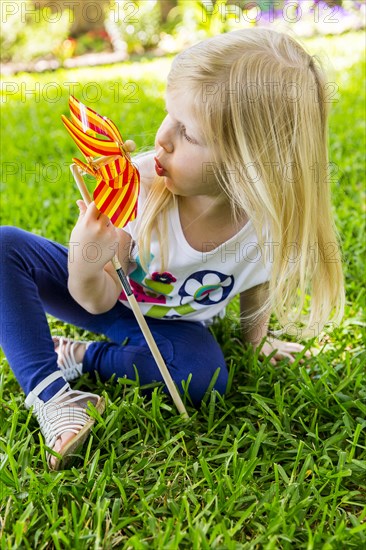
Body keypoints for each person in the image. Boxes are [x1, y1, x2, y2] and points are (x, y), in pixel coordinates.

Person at [0, 28, 345, 470]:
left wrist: (254, 342)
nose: (162, 138)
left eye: (189, 133)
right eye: (169, 115)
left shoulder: (267, 226)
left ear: (251, 165)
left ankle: (80, 355)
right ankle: (54, 395)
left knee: (205, 376)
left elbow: (256, 284)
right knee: (6, 246)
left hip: (175, 324)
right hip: (102, 291)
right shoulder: (140, 189)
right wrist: (88, 257)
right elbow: (97, 298)